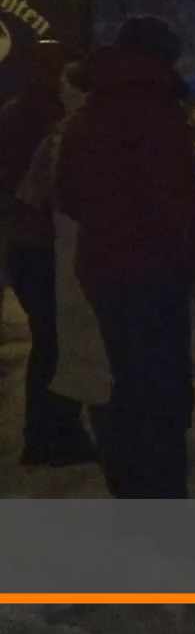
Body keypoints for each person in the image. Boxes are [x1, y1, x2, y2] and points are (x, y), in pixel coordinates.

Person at [56, 16, 195, 497]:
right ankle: (162, 491)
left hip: (103, 263)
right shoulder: (161, 116)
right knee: (162, 383)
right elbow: (177, 201)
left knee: (123, 376)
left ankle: (128, 483)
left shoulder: (89, 115)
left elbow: (68, 195)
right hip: (157, 266)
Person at [0, 41, 95, 465]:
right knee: (57, 340)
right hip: (46, 244)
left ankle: (49, 431)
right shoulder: (54, 122)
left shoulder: (15, 114)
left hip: (28, 243)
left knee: (51, 339)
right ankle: (51, 434)